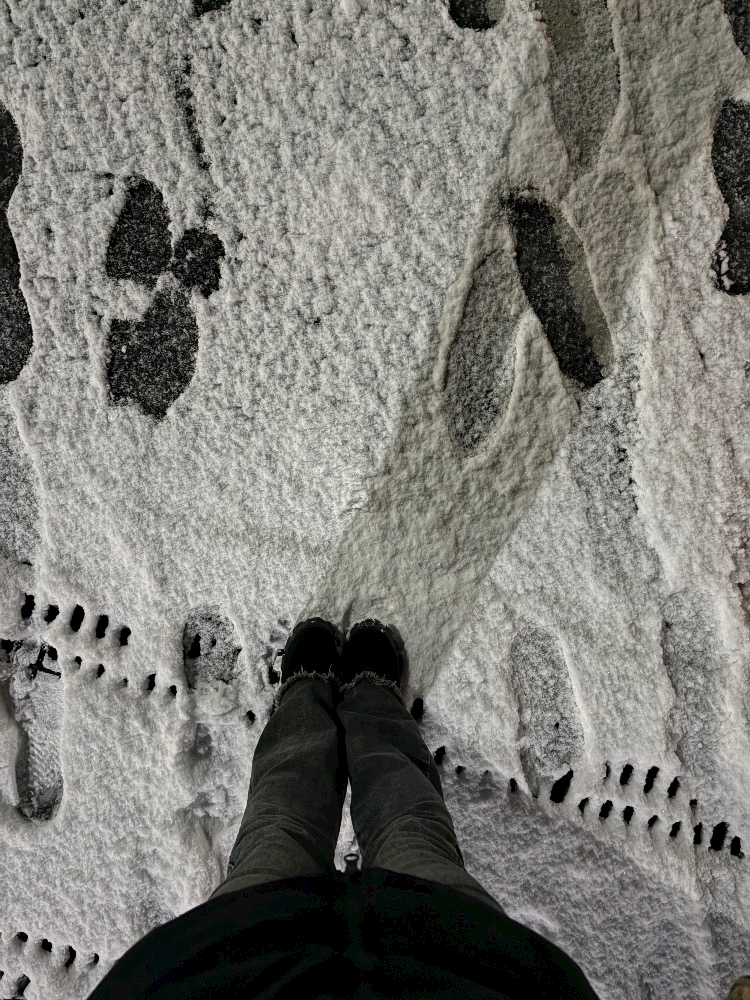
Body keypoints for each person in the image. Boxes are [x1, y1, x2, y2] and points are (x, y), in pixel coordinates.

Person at [88, 616, 602, 999]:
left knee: (278, 826)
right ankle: (370, 700)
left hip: (242, 961)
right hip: (450, 958)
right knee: (411, 829)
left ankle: (307, 696)